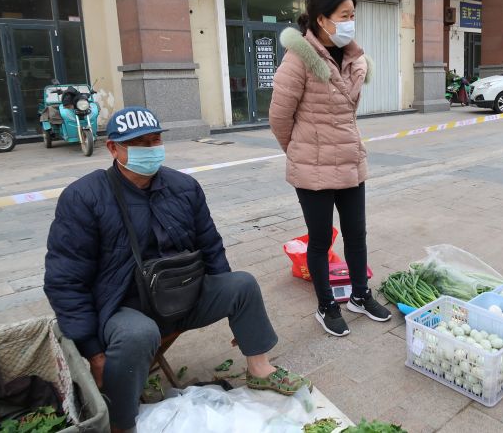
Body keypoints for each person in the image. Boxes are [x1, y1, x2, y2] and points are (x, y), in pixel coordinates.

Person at [44, 107, 310, 433]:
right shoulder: (84, 198)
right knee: (138, 335)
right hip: (123, 307)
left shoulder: (183, 186)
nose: (150, 149)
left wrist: (232, 310)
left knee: (241, 285)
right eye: (138, 144)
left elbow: (210, 246)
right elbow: (65, 281)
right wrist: (93, 353)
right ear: (112, 148)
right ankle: (120, 424)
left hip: (183, 294)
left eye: (154, 140)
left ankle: (260, 370)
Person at [269, 0, 391, 337]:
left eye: (354, 15)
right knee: (320, 240)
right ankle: (326, 305)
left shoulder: (353, 56)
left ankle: (360, 295)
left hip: (351, 161)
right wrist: (300, 151)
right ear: (322, 19)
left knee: (357, 234)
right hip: (313, 168)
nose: (351, 22)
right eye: (344, 16)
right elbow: (279, 118)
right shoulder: (299, 59)